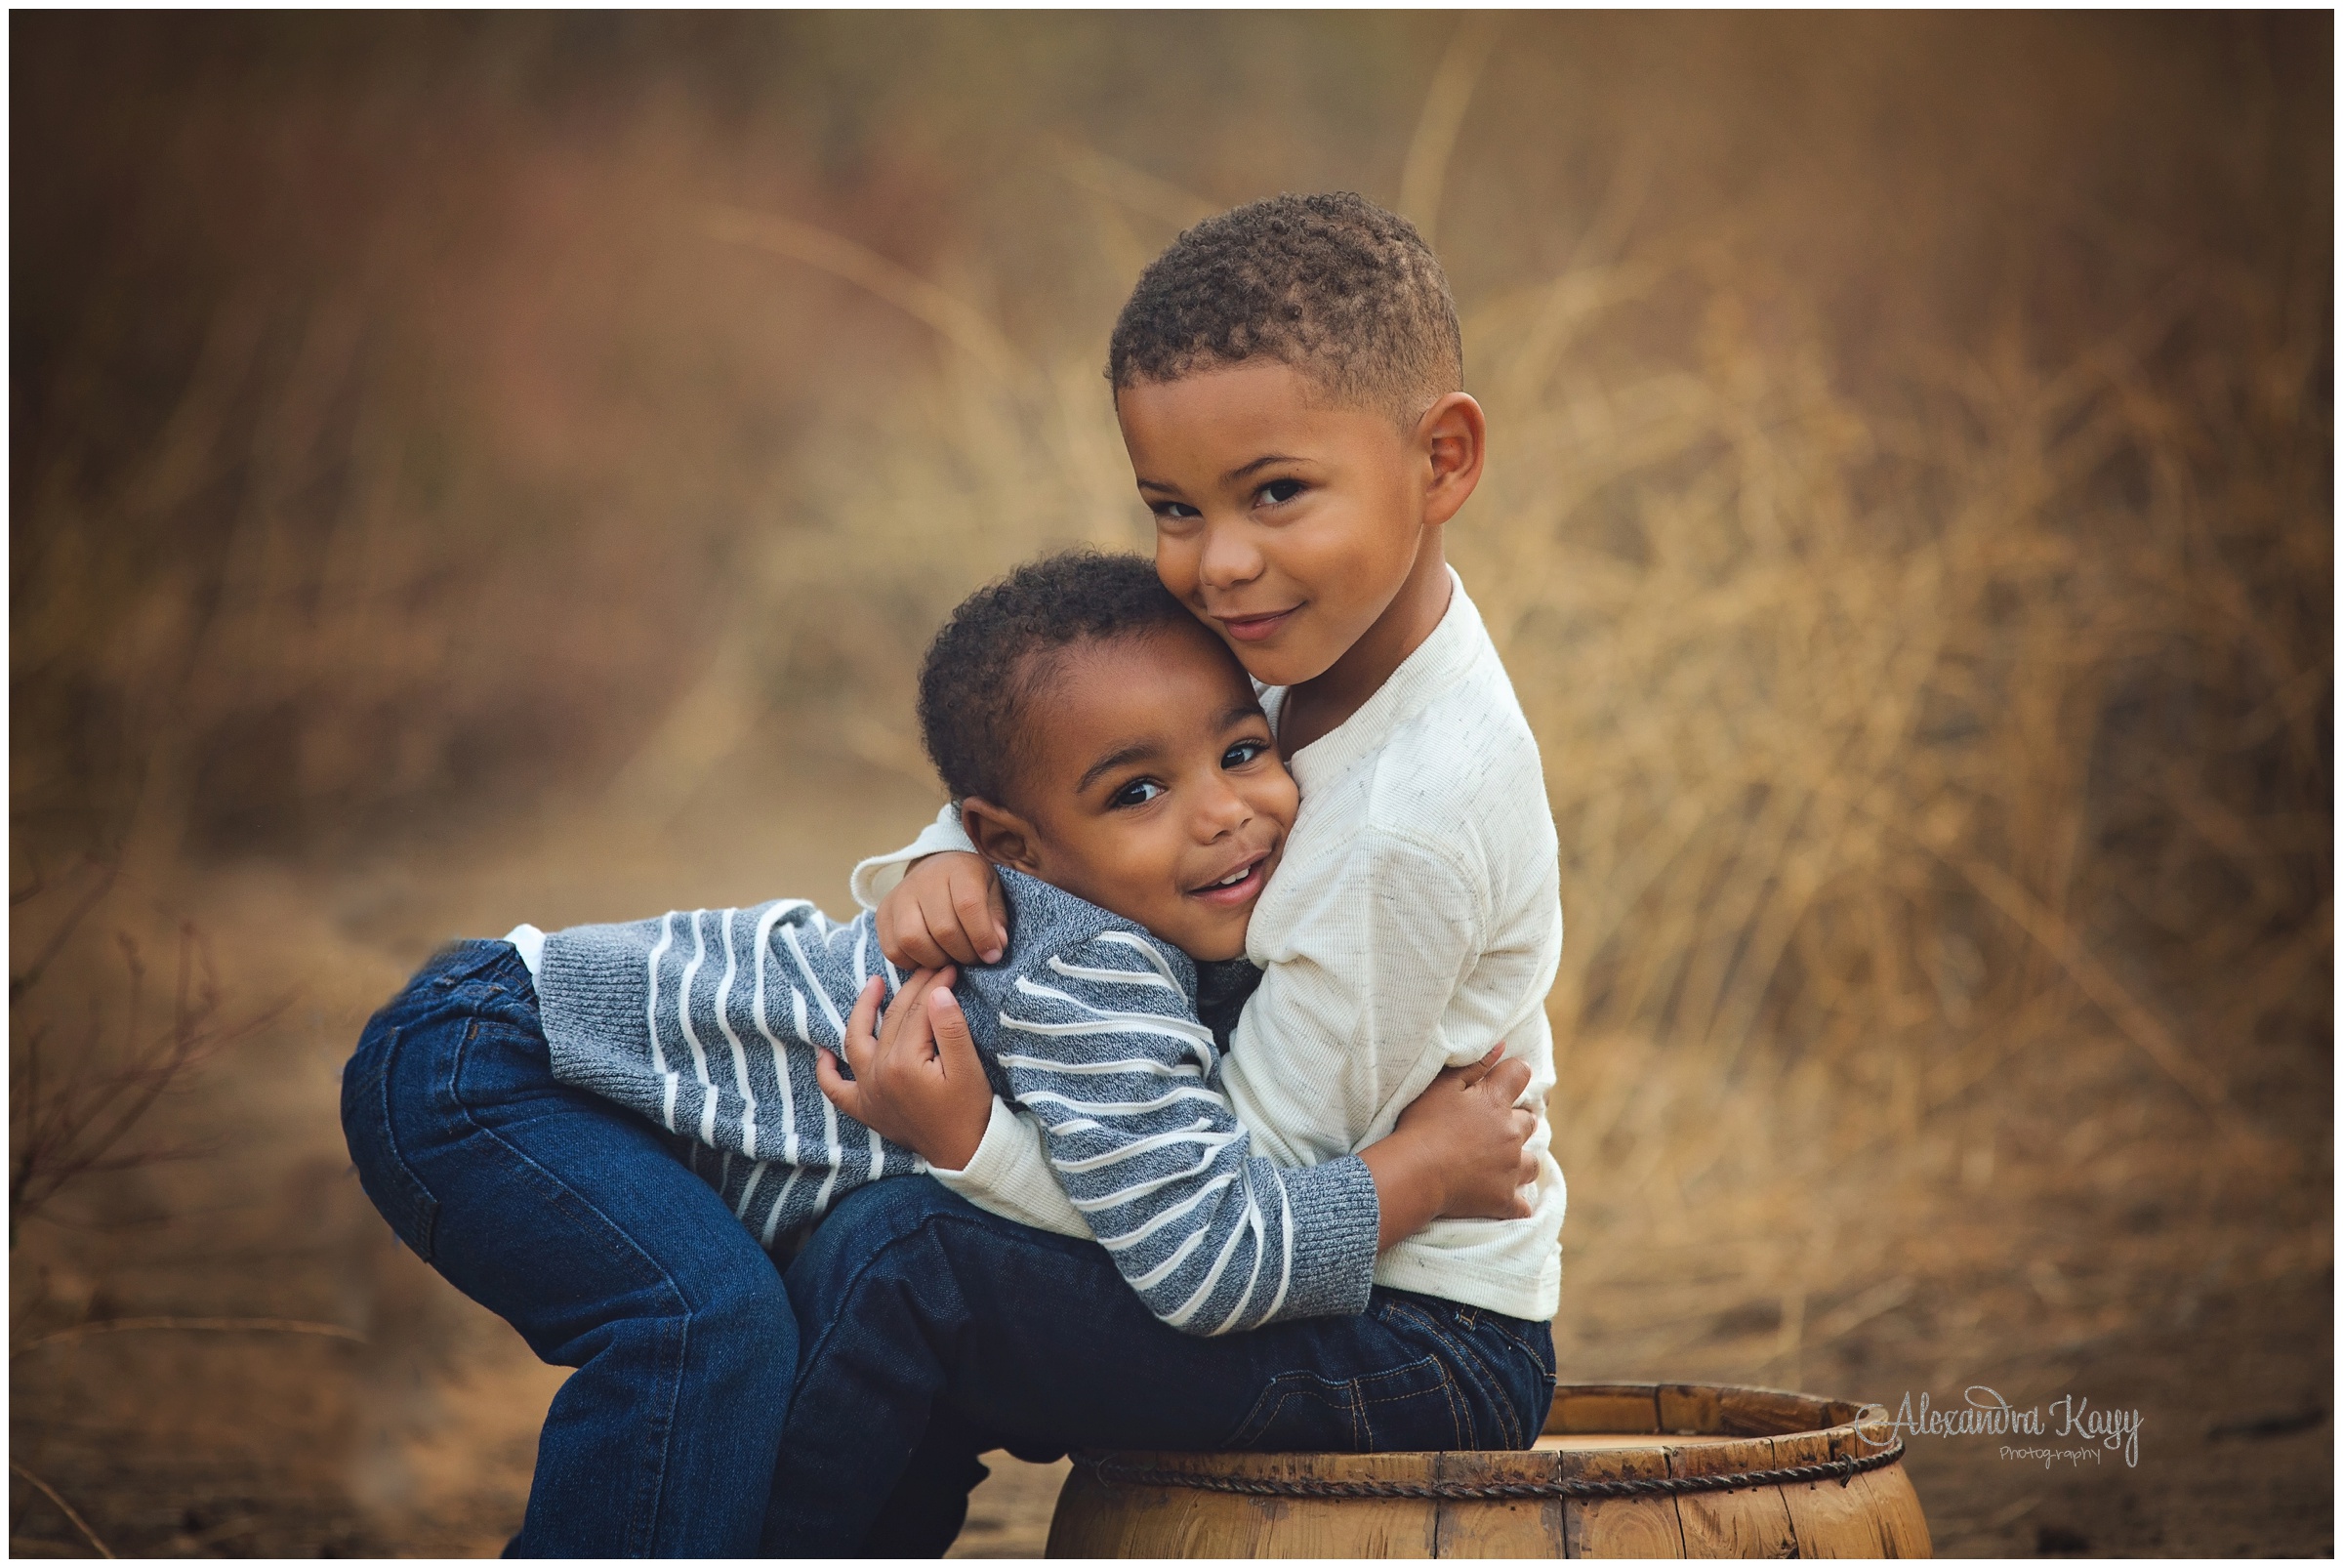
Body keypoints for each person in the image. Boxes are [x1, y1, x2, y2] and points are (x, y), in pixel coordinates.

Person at [341, 552, 1533, 1555]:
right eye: (1136, 794)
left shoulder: (1143, 912)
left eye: (1238, 754)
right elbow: (1206, 1253)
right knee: (704, 1326)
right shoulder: (1090, 971)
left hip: (506, 1041)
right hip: (492, 1066)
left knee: (768, 1319)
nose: (1223, 812)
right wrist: (1422, 1171)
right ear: (1017, 845)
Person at [759, 189, 1567, 1552]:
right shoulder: (1295, 635)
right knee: (866, 1240)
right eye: (1173, 507)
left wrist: (978, 1147)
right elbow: (1074, 749)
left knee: (905, 1259)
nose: (1219, 562)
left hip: (1410, 1335)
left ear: (1443, 460)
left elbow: (1225, 1208)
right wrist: (941, 856)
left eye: (1276, 493)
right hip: (1280, 1243)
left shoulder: (1405, 827)